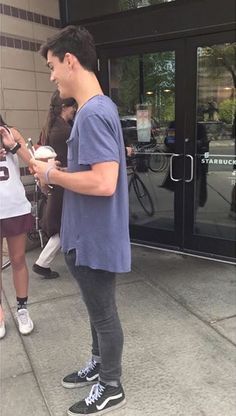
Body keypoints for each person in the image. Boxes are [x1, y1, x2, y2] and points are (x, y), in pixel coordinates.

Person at [31, 25, 131, 415]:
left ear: (70, 61)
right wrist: (62, 170)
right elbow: (98, 172)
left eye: (53, 66)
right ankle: (99, 365)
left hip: (95, 237)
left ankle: (111, 385)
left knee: (104, 315)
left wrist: (54, 175)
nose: (53, 76)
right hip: (86, 235)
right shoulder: (99, 109)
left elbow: (105, 182)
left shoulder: (91, 114)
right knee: (96, 311)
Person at [32, 90, 76, 279]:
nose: (75, 110)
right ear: (65, 107)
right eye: (73, 106)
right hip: (64, 182)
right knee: (64, 223)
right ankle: (42, 262)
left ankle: (44, 262)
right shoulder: (65, 131)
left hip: (55, 182)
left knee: (64, 222)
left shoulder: (51, 127)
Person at [0, 115, 34, 339]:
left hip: (14, 207)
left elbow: (32, 162)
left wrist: (12, 146)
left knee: (19, 259)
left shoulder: (11, 132)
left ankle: (22, 308)